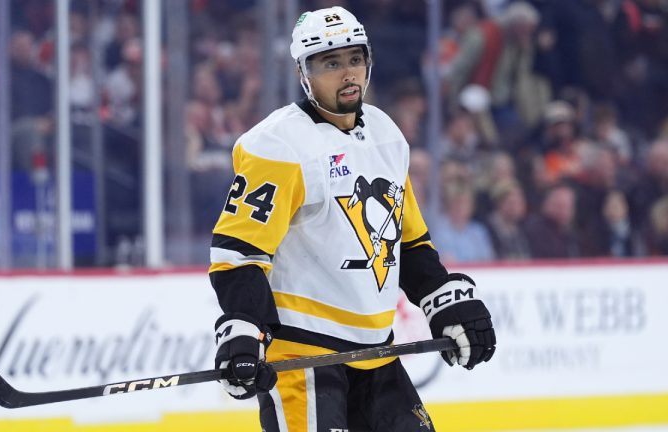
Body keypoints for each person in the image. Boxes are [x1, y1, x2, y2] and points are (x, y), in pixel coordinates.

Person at [207, 7, 496, 431]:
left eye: (355, 59)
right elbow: (239, 253)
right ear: (304, 72)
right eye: (331, 62)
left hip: (378, 356)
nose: (348, 74)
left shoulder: (384, 133)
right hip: (302, 361)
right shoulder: (277, 146)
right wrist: (243, 329)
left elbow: (406, 241)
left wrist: (443, 300)